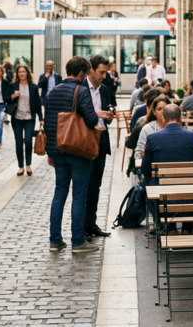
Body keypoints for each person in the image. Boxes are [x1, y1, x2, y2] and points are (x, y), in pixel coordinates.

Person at [44, 55, 100, 253]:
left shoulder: (53, 91)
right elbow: (92, 120)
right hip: (77, 150)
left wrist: (50, 152)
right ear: (82, 73)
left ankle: (55, 240)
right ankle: (77, 241)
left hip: (58, 150)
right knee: (79, 196)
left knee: (59, 194)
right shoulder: (81, 90)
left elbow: (49, 123)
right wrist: (97, 114)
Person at [140, 104, 193, 234]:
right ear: (181, 119)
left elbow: (145, 169)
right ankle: (187, 228)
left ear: (163, 119)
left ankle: (169, 228)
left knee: (149, 181)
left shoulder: (153, 138)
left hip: (163, 195)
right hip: (189, 193)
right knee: (192, 183)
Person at [83, 55, 116, 240]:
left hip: (101, 140)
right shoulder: (81, 89)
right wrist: (95, 114)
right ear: (90, 71)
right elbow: (78, 115)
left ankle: (91, 224)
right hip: (86, 141)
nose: (104, 76)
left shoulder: (103, 89)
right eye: (101, 72)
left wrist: (109, 115)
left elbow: (109, 106)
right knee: (85, 187)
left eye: (106, 72)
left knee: (96, 186)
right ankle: (82, 227)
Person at [7, 64, 42, 177]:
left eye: (23, 71)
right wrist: (13, 96)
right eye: (19, 72)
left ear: (27, 73)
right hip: (16, 118)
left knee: (28, 141)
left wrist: (41, 118)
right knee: (18, 142)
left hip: (29, 118)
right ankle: (21, 166)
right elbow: (6, 98)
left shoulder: (33, 87)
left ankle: (28, 164)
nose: (21, 74)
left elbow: (37, 103)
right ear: (17, 74)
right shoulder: (13, 85)